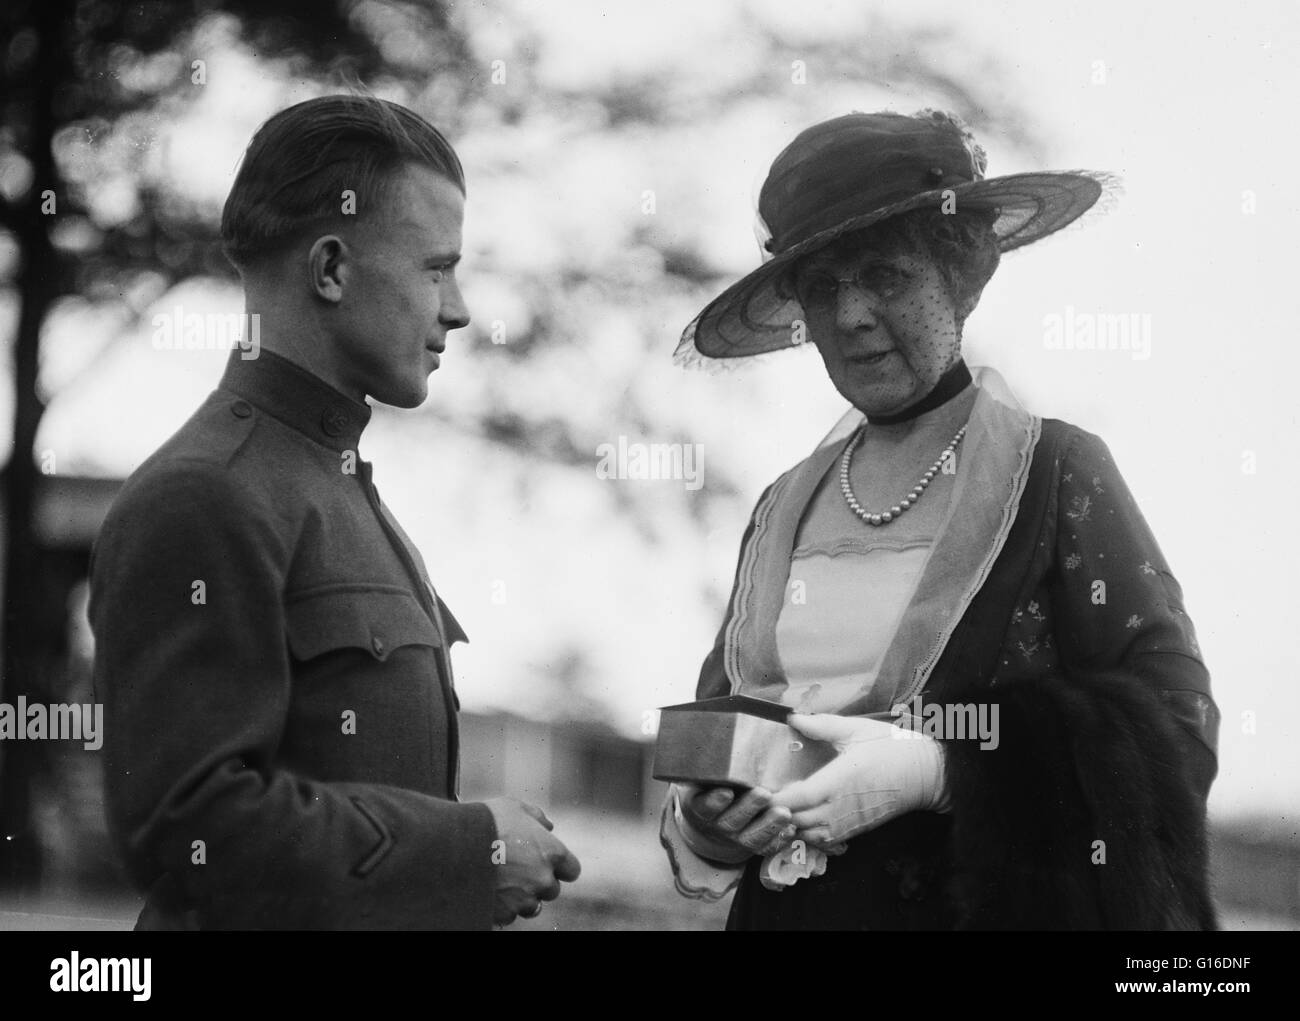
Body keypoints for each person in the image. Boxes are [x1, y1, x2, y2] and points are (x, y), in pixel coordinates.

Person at [659, 109, 1219, 929]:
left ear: (963, 272)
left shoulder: (1059, 473)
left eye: (885, 275)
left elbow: (1177, 735)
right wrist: (707, 824)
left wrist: (942, 766)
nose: (850, 314)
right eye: (823, 288)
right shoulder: (783, 507)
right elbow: (724, 741)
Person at [89, 95, 580, 929]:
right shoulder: (206, 494)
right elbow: (187, 828)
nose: (458, 308)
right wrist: (468, 851)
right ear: (330, 269)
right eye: (436, 267)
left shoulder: (331, 482)